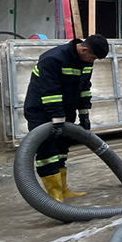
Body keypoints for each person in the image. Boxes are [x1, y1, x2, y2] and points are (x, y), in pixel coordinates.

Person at [23, 35, 109, 201]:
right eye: (92, 57)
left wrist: (84, 115)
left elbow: (84, 88)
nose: (93, 61)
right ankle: (54, 196)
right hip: (41, 111)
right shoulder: (52, 59)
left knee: (62, 149)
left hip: (65, 110)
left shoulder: (86, 61)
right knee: (47, 152)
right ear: (84, 49)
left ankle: (64, 189)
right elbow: (50, 92)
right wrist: (56, 119)